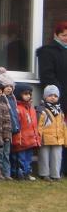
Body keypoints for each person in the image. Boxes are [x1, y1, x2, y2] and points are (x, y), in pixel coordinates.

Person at [36, 21, 67, 176]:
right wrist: (56, 95)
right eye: (64, 35)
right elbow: (48, 76)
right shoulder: (48, 52)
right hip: (59, 98)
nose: (66, 38)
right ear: (56, 35)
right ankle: (56, 170)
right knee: (56, 134)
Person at [11, 83, 40, 181]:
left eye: (29, 94)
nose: (28, 96)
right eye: (25, 94)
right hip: (21, 139)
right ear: (19, 94)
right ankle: (19, 173)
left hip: (30, 139)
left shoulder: (31, 108)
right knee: (20, 158)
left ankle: (27, 172)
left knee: (28, 158)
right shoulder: (18, 109)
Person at [36, 85, 65, 181]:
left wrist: (65, 139)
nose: (53, 97)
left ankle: (55, 174)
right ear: (45, 96)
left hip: (58, 138)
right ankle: (44, 174)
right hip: (45, 138)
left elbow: (63, 126)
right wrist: (38, 138)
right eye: (50, 95)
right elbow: (39, 125)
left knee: (57, 157)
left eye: (55, 96)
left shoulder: (60, 111)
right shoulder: (42, 109)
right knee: (44, 156)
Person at [0, 68, 20, 181]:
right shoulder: (0, 100)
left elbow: (14, 115)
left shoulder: (12, 99)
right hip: (0, 130)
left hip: (9, 130)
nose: (9, 88)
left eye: (11, 86)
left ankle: (7, 172)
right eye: (6, 86)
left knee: (7, 152)